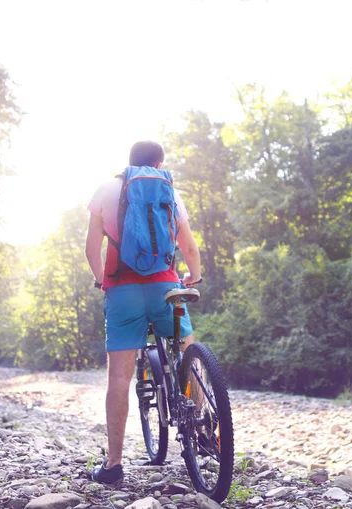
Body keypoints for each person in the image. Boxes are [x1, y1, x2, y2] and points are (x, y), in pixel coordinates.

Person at [85, 140, 202, 484]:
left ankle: (114, 465)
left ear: (130, 161)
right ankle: (204, 423)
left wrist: (100, 281)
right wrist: (193, 276)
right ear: (159, 162)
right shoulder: (169, 191)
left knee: (119, 379)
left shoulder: (106, 189)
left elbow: (92, 248)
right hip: (168, 291)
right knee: (189, 350)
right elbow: (189, 247)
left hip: (122, 294)